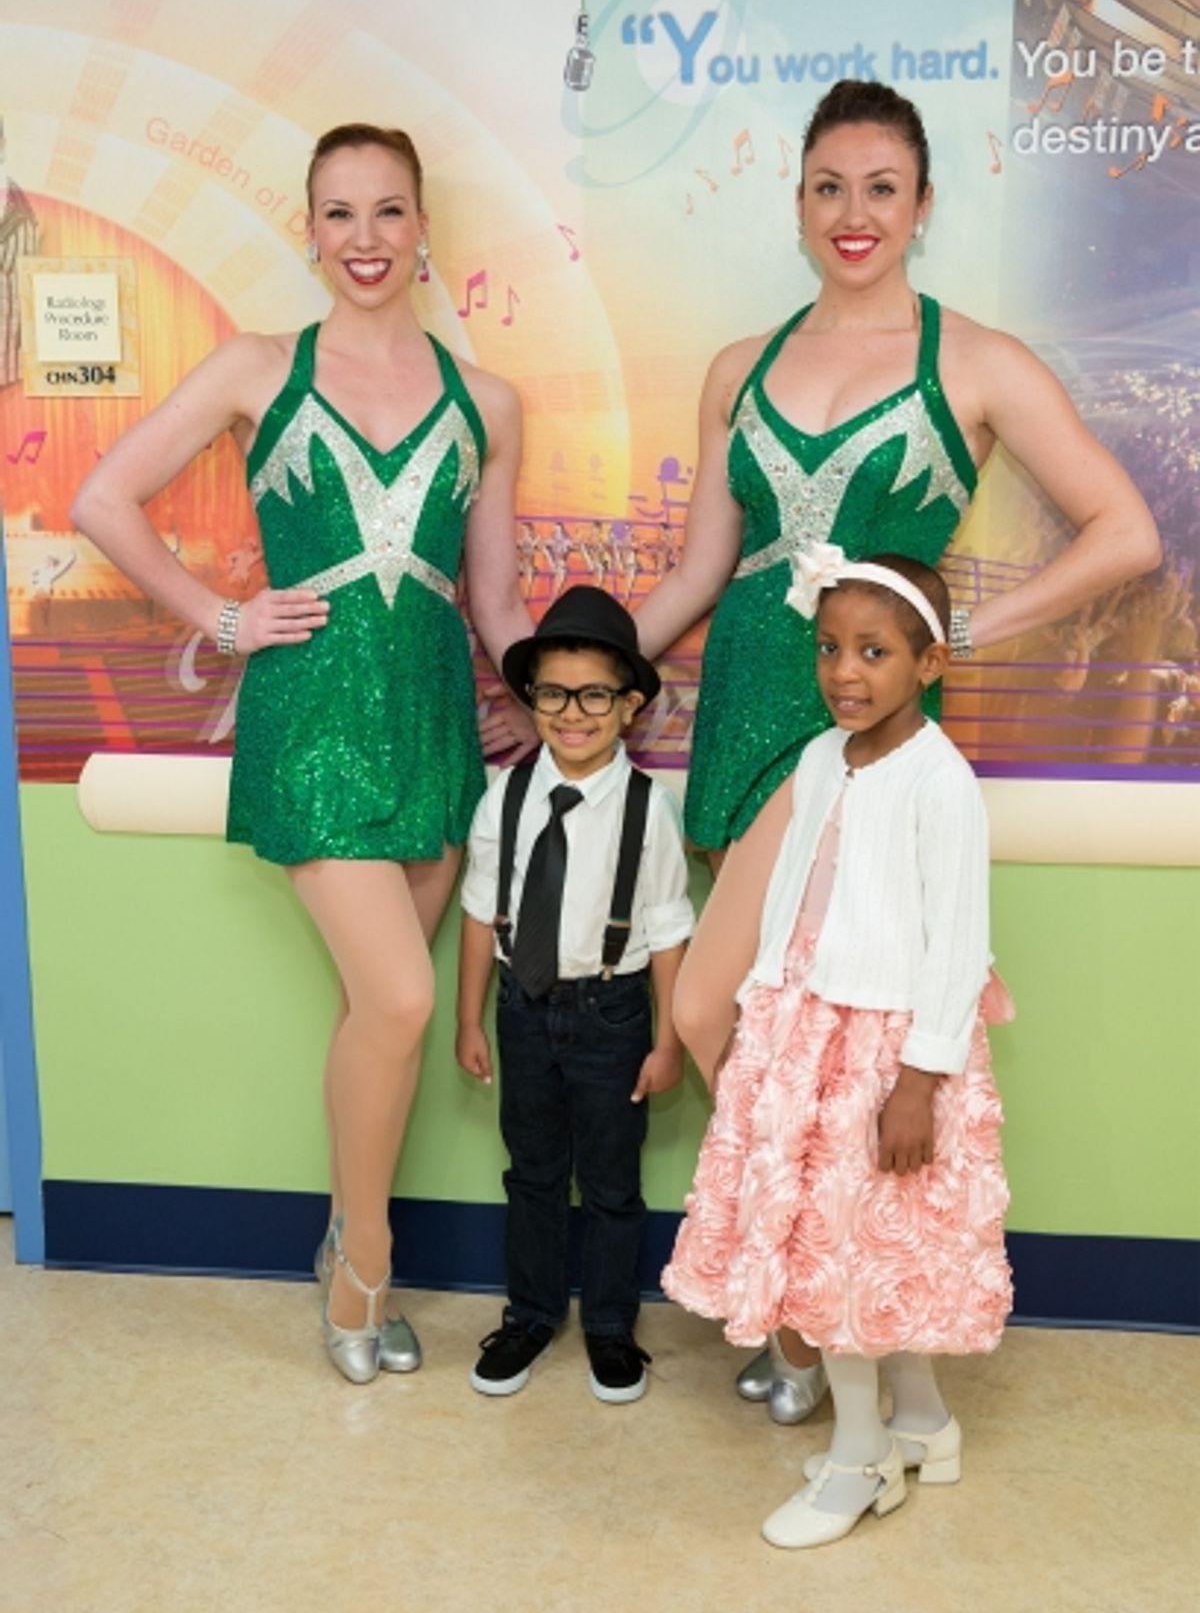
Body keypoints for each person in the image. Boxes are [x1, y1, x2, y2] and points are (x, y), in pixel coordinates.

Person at [634, 77, 1160, 1407]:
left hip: (858, 752)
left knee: (723, 1014)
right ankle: (819, 1320)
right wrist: (574, 673)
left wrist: (964, 639)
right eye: (828, 187)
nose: (853, 214)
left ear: (922, 204)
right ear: (798, 203)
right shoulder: (735, 367)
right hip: (745, 717)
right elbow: (704, 568)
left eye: (881, 188)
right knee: (782, 1045)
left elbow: (1125, 531)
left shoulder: (975, 359)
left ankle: (820, 1325)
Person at [70, 122, 535, 1384]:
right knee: (400, 1000)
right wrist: (221, 619)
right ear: (309, 229)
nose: (367, 239)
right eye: (340, 214)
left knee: (366, 1016)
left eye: (390, 212)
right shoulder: (256, 368)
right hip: (314, 726)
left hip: (434, 722)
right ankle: (363, 1267)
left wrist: (546, 699)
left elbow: (492, 601)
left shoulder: (486, 401)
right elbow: (100, 498)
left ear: (425, 226)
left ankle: (345, 1225)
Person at [664, 548, 1013, 1548]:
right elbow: (792, 897)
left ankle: (861, 1457)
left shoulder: (940, 779)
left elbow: (958, 937)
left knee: (851, 1245)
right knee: (857, 1235)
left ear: (928, 662)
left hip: (885, 1047)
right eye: (829, 648)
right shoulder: (823, 757)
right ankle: (921, 1422)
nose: (846, 671)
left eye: (874, 651)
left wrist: (920, 1077)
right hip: (804, 1024)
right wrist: (764, 1005)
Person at [456, 587, 694, 1403]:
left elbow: (667, 928)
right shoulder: (507, 796)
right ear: (533, 701)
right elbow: (481, 910)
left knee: (611, 1179)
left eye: (595, 694)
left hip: (612, 1012)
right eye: (553, 694)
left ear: (628, 705)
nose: (573, 713)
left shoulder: (648, 810)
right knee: (531, 1172)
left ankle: (609, 1325)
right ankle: (529, 1313)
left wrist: (667, 1040)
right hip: (522, 1011)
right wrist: (467, 1019)